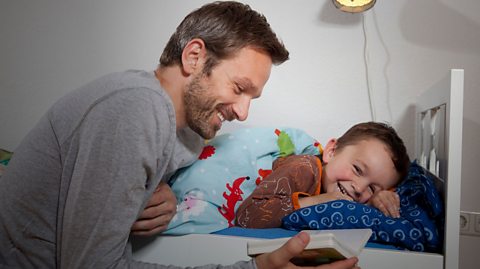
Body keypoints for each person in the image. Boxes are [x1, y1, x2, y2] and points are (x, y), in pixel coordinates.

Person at [0, 1, 360, 269]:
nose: (243, 112)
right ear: (194, 57)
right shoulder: (135, 109)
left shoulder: (187, 135)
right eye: (239, 88)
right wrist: (255, 267)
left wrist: (169, 192)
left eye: (252, 97)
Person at [236, 122, 410, 228]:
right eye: (357, 169)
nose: (359, 188)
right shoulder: (303, 169)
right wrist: (320, 200)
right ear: (332, 151)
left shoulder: (351, 192)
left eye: (372, 188)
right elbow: (248, 216)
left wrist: (377, 199)